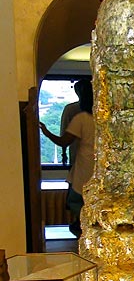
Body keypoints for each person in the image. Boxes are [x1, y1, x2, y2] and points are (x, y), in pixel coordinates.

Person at [40, 79, 94, 238]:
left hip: (84, 162)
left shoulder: (81, 117)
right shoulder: (105, 117)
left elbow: (64, 140)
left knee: (77, 199)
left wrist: (46, 132)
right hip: (101, 164)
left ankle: (84, 226)